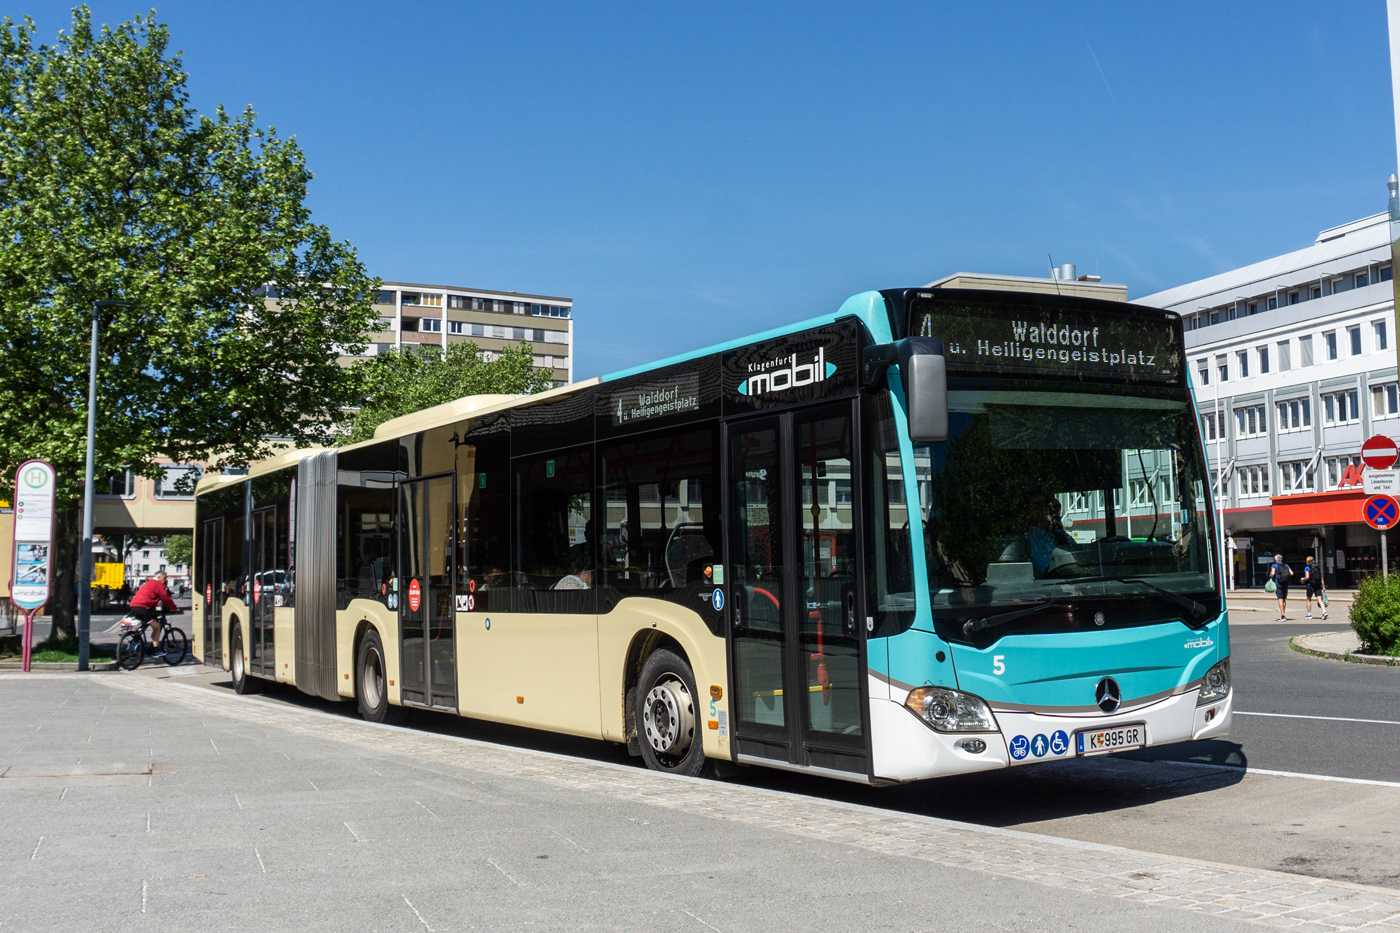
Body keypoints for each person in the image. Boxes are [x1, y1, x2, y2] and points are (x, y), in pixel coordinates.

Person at [129, 570, 178, 655]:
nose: (166, 579)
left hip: (134, 606)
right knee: (157, 627)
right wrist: (174, 608)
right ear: (159, 577)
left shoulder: (147, 583)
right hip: (144, 608)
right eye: (164, 577)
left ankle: (135, 641)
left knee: (144, 624)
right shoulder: (159, 585)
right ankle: (155, 650)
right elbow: (166, 598)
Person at [1267, 553, 1292, 621]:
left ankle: (1282, 615)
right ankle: (1284, 613)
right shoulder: (1286, 565)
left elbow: (1272, 573)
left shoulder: (1274, 565)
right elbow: (1292, 573)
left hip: (1278, 583)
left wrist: (1270, 576)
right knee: (1284, 599)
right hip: (1285, 583)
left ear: (1275, 560)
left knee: (1280, 598)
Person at [1301, 555, 1327, 620]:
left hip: (1310, 585)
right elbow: (1321, 578)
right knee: (1319, 599)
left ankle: (1309, 614)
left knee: (1308, 599)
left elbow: (1307, 577)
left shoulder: (1307, 568)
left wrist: (1302, 580)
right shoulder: (1318, 567)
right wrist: (1323, 587)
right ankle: (1324, 612)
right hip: (1318, 585)